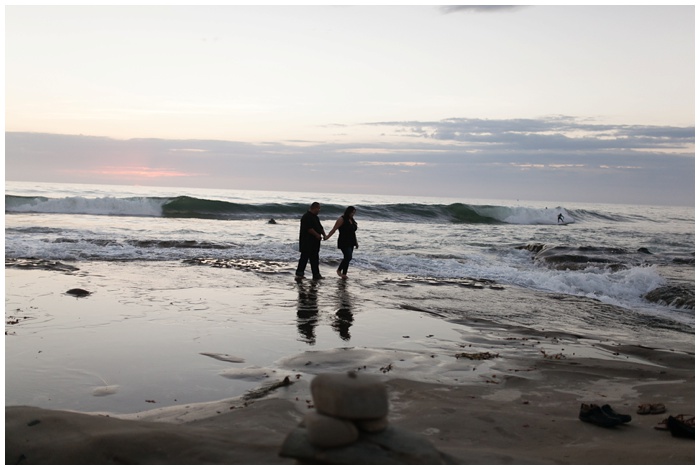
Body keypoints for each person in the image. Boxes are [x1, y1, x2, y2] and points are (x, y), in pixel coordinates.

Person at [325, 206, 359, 280]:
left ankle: (344, 274)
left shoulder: (352, 220)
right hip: (344, 241)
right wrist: (327, 237)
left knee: (347, 258)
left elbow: (353, 232)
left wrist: (356, 242)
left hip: (351, 241)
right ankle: (339, 270)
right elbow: (334, 229)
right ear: (348, 212)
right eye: (352, 212)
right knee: (348, 256)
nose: (353, 214)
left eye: (354, 213)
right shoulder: (342, 219)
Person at [295, 202, 326, 281]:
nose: (319, 210)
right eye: (318, 209)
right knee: (304, 258)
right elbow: (309, 229)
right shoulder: (306, 217)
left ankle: (316, 274)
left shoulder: (316, 217)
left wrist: (324, 234)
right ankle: (299, 274)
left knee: (315, 259)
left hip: (315, 243)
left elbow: (320, 227)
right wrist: (317, 235)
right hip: (307, 241)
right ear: (314, 208)